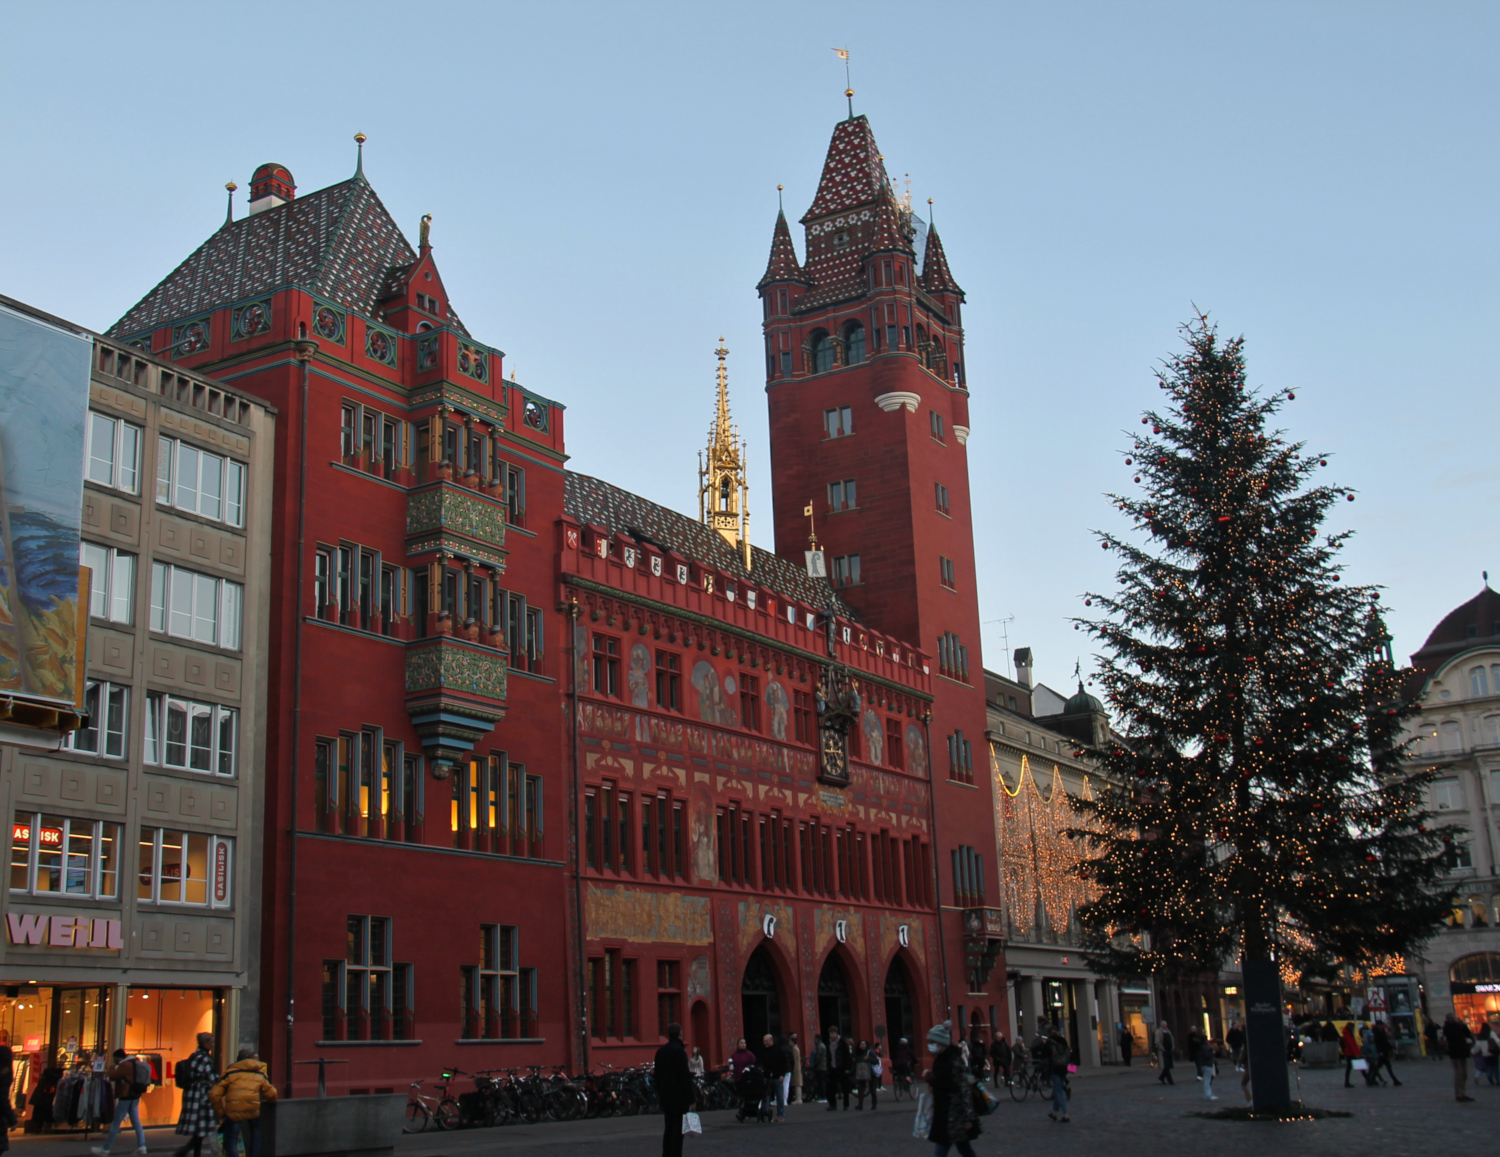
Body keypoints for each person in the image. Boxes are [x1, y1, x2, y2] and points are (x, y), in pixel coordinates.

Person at [209, 1048, 276, 1157]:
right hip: (252, 1108)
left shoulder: (230, 1073)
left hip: (234, 1110)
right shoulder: (259, 1073)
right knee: (255, 1130)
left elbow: (214, 1094)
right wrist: (271, 1101)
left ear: (237, 1060)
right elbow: (272, 1093)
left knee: (232, 1139)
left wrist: (221, 1113)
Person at [925, 1022, 979, 1156]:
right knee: (964, 1148)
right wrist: (930, 1078)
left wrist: (968, 1117)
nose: (930, 1045)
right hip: (945, 1112)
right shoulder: (941, 1059)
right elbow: (942, 1081)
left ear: (941, 1043)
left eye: (932, 1041)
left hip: (954, 1113)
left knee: (943, 1149)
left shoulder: (953, 1060)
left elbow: (963, 1087)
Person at [92, 1049, 151, 1157]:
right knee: (136, 1122)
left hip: (126, 1096)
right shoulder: (135, 1062)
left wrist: (111, 1067)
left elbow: (113, 1076)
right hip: (135, 1096)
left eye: (115, 1059)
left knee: (115, 1123)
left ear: (118, 1057)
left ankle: (106, 1149)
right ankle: (141, 1146)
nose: (115, 1061)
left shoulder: (125, 1065)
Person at [173, 1034, 219, 1157]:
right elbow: (212, 1078)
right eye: (211, 1042)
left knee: (199, 1129)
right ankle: (186, 1150)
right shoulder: (205, 1058)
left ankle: (193, 1152)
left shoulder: (194, 1056)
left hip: (191, 1094)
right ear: (205, 1042)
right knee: (203, 1127)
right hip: (201, 1096)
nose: (213, 1045)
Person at [655, 1022, 696, 1157]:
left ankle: (666, 1153)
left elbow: (657, 1075)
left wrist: (660, 1092)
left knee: (668, 1127)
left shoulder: (660, 1051)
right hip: (679, 1096)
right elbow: (684, 1076)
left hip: (666, 1095)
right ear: (680, 1034)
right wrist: (691, 1098)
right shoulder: (679, 1051)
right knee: (678, 1129)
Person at [1042, 1023, 1071, 1121]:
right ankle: (1054, 1112)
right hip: (1064, 1067)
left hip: (1054, 1068)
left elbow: (1044, 1054)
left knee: (1058, 1091)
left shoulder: (1050, 1042)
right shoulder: (1063, 1040)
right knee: (1057, 1089)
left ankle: (1065, 1114)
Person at [1443, 1013, 1476, 1102]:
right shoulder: (1447, 1027)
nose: (1456, 1019)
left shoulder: (1459, 1026)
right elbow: (1454, 1035)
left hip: (1462, 1052)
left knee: (1464, 1074)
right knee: (1459, 1074)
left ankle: (1463, 1093)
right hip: (1455, 1053)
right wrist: (1459, 1025)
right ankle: (1459, 1094)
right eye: (1454, 1018)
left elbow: (1468, 1034)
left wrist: (1464, 1026)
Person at [757, 1034, 788, 1122]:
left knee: (779, 1096)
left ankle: (780, 1115)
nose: (765, 1043)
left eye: (766, 1041)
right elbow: (759, 1062)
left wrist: (782, 1074)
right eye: (764, 1041)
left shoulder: (778, 1050)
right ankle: (765, 1112)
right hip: (766, 1076)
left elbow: (784, 1063)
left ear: (771, 1040)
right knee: (766, 1096)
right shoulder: (762, 1051)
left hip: (777, 1077)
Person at [824, 1027, 852, 1111]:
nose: (831, 1036)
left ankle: (846, 1104)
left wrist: (847, 1068)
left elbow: (847, 1056)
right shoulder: (829, 1043)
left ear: (837, 1034)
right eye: (830, 1034)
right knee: (831, 1087)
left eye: (833, 1034)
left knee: (844, 1087)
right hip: (832, 1067)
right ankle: (832, 1105)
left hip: (842, 1067)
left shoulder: (842, 1043)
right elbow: (829, 1056)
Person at [1371, 1021, 1402, 1087]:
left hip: (1384, 1051)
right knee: (1388, 1067)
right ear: (1378, 1025)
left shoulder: (1382, 1031)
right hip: (1381, 1052)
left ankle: (1372, 1078)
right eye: (1381, 1025)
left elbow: (1385, 1041)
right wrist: (1379, 1052)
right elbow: (1377, 1043)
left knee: (1379, 1066)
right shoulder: (1375, 1032)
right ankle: (1395, 1080)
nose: (1382, 1026)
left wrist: (1390, 1047)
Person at [853, 1039, 880, 1110]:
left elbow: (876, 1061)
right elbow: (854, 1062)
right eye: (861, 1044)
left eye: (864, 1044)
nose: (863, 1046)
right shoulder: (857, 1053)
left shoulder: (870, 1052)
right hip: (861, 1073)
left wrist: (868, 1059)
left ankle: (874, 1104)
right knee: (861, 1089)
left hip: (871, 1073)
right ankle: (860, 1104)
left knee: (873, 1090)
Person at [1190, 1029, 1216, 1100]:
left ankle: (1209, 1093)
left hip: (1204, 1064)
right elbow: (1206, 1055)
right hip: (1207, 1064)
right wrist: (1211, 1051)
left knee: (1208, 1079)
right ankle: (1208, 1094)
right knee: (1207, 1080)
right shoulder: (1204, 1047)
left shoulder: (1200, 1046)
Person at [1340, 1022, 1362, 1088]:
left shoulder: (1347, 1033)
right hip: (1350, 1053)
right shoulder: (1348, 1034)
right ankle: (1369, 1079)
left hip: (1350, 1053)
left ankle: (1347, 1082)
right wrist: (1356, 1053)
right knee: (1358, 1066)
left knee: (1351, 1068)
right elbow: (1351, 1044)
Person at [811, 1034, 828, 1102]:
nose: (814, 1040)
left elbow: (818, 1057)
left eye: (814, 1039)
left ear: (817, 1039)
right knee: (822, 1082)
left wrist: (814, 1064)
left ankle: (823, 1096)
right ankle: (823, 1096)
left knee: (821, 1082)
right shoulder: (822, 1045)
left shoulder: (819, 1046)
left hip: (820, 1067)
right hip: (823, 1066)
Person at [788, 1033, 803, 1103]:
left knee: (797, 1083)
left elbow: (795, 1059)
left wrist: (793, 1068)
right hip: (798, 1068)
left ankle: (798, 1098)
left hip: (796, 1068)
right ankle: (798, 1098)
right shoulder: (797, 1048)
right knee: (797, 1083)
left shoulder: (794, 1049)